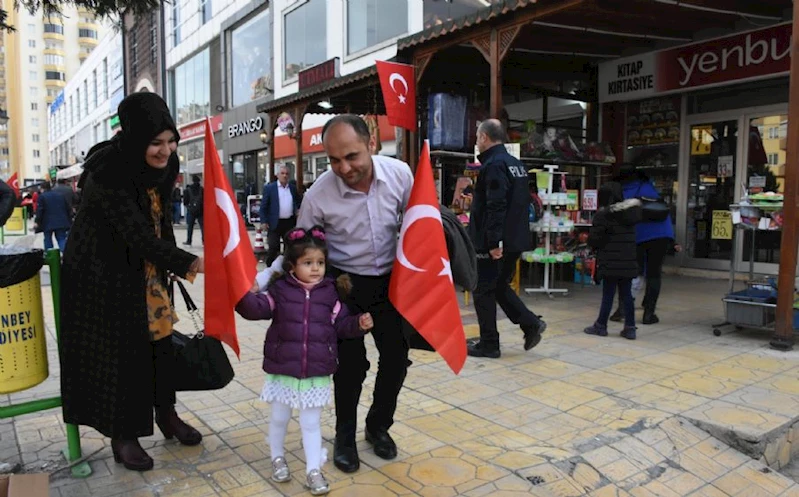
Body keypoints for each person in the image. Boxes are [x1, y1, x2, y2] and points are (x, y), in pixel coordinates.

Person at [59, 93, 206, 472]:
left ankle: (167, 414)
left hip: (147, 271)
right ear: (136, 137)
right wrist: (191, 263)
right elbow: (136, 235)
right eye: (156, 142)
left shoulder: (166, 164)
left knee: (161, 346)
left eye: (171, 141)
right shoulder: (108, 170)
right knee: (124, 355)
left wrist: (171, 261)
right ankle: (123, 434)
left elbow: (160, 217)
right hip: (104, 274)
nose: (165, 150)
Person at [292, 114, 413, 473]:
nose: (344, 168)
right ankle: (344, 437)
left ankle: (378, 426)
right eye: (334, 160)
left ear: (372, 144)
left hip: (391, 283)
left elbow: (419, 222)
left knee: (396, 358)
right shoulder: (318, 195)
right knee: (350, 366)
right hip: (344, 286)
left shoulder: (400, 175)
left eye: (352, 156)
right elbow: (302, 248)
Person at [236, 226, 373, 496]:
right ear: (292, 266)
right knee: (279, 418)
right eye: (308, 263)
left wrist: (358, 324)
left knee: (311, 423)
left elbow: (341, 325)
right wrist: (239, 295)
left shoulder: (331, 293)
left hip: (316, 372)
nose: (315, 269)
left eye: (320, 262)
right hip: (284, 368)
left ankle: (313, 470)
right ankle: (277, 458)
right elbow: (257, 309)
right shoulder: (279, 291)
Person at [467, 119, 546, 359]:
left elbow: (496, 205)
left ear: (484, 137)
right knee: (499, 286)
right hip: (515, 239)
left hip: (496, 243)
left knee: (482, 290)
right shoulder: (515, 164)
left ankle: (490, 343)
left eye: (478, 137)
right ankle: (530, 324)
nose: (477, 142)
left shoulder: (494, 165)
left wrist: (493, 242)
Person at [610, 165, 677, 325]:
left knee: (634, 273)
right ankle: (649, 314)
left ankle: (623, 309)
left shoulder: (621, 191)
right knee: (654, 274)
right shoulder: (647, 186)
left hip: (638, 235)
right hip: (662, 234)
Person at [584, 182, 641, 340]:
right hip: (628, 261)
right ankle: (630, 328)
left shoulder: (604, 215)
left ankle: (601, 326)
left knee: (608, 294)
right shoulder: (630, 213)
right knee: (627, 295)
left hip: (610, 260)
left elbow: (595, 239)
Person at [260, 165, 300, 265]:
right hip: (275, 222)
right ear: (277, 175)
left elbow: (298, 202)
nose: (285, 176)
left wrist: (297, 210)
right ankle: (270, 267)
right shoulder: (270, 188)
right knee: (273, 246)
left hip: (289, 222)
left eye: (287, 174)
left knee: (289, 246)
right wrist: (264, 221)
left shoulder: (292, 188)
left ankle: (286, 267)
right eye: (282, 173)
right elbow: (263, 206)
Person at [34, 182, 72, 252]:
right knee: (61, 239)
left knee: (48, 239)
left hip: (47, 222)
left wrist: (37, 221)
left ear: (42, 189)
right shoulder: (60, 195)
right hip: (61, 221)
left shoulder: (42, 197)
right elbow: (68, 208)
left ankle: (50, 255)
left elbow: (40, 211)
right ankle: (65, 254)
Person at [183, 175, 203, 246]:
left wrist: (189, 207)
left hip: (191, 211)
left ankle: (189, 240)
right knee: (202, 227)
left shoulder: (187, 190)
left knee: (190, 227)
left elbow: (185, 202)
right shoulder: (202, 189)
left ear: (192, 180)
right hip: (200, 211)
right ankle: (204, 240)